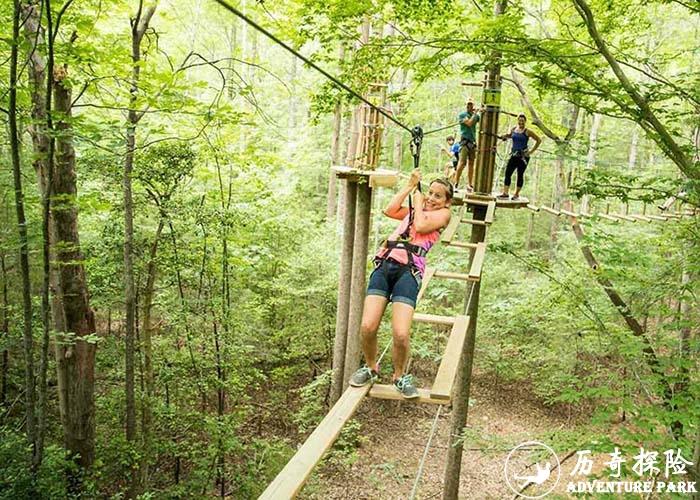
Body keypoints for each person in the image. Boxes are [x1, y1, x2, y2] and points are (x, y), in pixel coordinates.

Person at [349, 170, 452, 399]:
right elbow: (390, 210)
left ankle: (399, 376)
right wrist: (409, 186)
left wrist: (418, 194)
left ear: (447, 202)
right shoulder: (415, 212)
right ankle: (370, 367)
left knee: (401, 333)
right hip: (385, 265)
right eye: (430, 193)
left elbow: (423, 226)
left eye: (437, 196)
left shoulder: (442, 216)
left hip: (409, 271)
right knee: (367, 326)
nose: (431, 198)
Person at [497, 113, 542, 201]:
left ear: (525, 121)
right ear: (518, 121)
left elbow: (538, 140)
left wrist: (531, 151)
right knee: (508, 173)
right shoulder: (514, 129)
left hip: (523, 157)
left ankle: (516, 194)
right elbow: (510, 135)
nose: (521, 122)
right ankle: (505, 193)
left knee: (520, 174)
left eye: (523, 121)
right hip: (514, 155)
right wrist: (504, 136)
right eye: (520, 120)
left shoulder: (527, 131)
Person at [454, 99, 482, 192]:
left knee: (471, 163)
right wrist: (475, 114)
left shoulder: (476, 116)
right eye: (468, 105)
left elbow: (481, 120)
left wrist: (483, 111)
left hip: (472, 142)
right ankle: (456, 183)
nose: (469, 106)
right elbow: (469, 123)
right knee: (462, 163)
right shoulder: (463, 115)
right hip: (464, 142)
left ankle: (469, 184)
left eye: (471, 104)